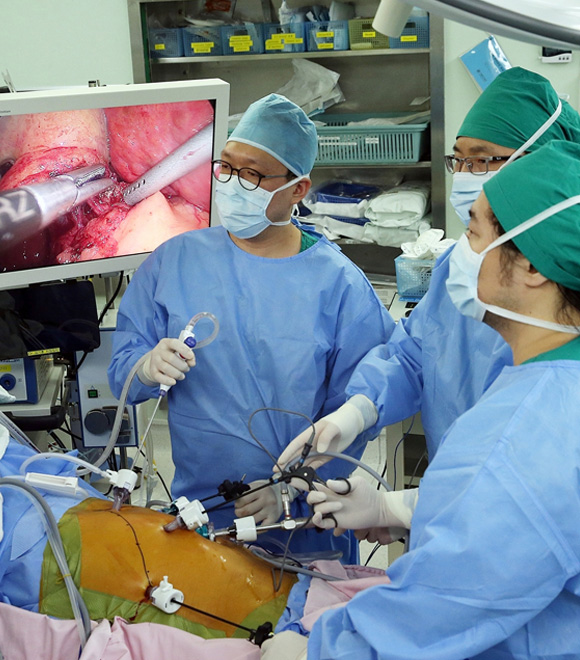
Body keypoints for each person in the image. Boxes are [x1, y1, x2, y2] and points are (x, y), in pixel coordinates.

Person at [262, 138, 580, 659]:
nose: (457, 257)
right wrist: (400, 500)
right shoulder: (553, 386)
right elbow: (510, 531)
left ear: (533, 267)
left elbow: (436, 611)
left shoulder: (523, 434)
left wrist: (314, 650)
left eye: (473, 234)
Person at [277, 67, 580, 540]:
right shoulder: (462, 267)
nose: (466, 176)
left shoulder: (559, 326)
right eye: (458, 159)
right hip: (455, 514)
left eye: (484, 160)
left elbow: (527, 484)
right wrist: (355, 413)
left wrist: (400, 507)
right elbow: (418, 351)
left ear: (539, 166)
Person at [107, 94, 394, 562]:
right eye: (227, 167)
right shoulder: (174, 261)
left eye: (253, 175)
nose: (233, 184)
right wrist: (145, 367)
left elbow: (358, 415)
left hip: (303, 526)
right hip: (201, 517)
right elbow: (122, 372)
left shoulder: (339, 285)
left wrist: (295, 486)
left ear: (298, 189)